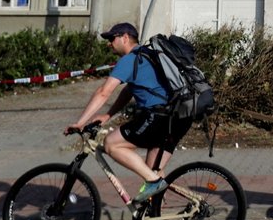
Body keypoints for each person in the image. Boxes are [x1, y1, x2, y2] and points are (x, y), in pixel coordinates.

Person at [66, 22, 192, 204]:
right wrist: (108, 115)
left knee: (111, 144)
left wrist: (80, 122)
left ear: (125, 37)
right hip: (179, 117)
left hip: (160, 116)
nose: (109, 43)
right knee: (151, 169)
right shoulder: (148, 56)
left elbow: (103, 92)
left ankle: (154, 182)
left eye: (112, 38)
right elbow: (129, 91)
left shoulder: (130, 59)